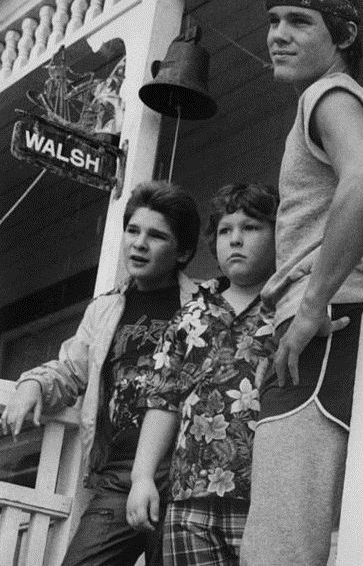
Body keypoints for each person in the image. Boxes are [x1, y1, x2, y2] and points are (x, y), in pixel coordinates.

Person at [240, 0, 363, 566]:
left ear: (344, 36)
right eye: (273, 20)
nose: (278, 33)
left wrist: (306, 309)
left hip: (321, 328)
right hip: (326, 326)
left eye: (299, 21)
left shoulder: (327, 95)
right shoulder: (338, 100)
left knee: (277, 547)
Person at [1, 181, 201, 566]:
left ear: (184, 252)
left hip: (183, 473)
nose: (139, 244)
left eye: (156, 236)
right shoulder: (105, 309)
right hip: (119, 475)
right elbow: (71, 369)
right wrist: (33, 383)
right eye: (133, 231)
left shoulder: (201, 306)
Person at [125, 183, 279, 566]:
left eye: (252, 228)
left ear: (281, 233)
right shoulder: (192, 312)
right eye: (226, 230)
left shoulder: (290, 307)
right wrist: (142, 477)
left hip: (262, 496)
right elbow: (164, 399)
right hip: (188, 498)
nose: (236, 239)